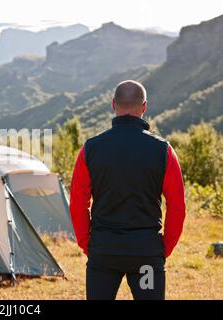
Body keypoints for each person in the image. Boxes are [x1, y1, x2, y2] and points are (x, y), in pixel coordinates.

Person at [69, 80, 186, 300]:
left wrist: (89, 245)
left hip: (104, 254)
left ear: (113, 105)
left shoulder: (90, 149)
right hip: (146, 255)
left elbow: (77, 204)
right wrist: (162, 249)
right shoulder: (163, 150)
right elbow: (177, 206)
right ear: (144, 107)